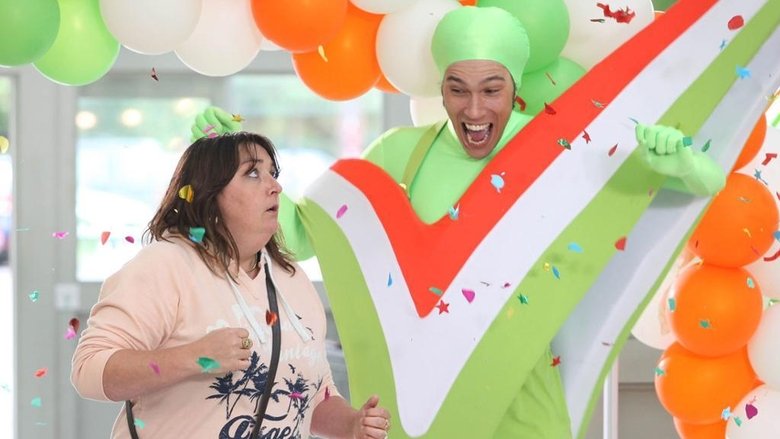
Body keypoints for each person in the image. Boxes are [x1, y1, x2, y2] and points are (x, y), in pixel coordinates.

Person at [206, 8, 727, 438]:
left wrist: (680, 162)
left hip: (526, 394)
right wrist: (227, 163)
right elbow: (302, 232)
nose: (474, 109)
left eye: (491, 90)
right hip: (425, 398)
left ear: (515, 87)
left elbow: (705, 183)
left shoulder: (562, 150)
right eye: (458, 90)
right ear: (442, 88)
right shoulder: (400, 155)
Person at [71, 125, 392, 439]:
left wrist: (351, 425)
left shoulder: (291, 278)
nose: (275, 187)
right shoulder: (166, 265)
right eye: (253, 173)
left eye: (273, 173)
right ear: (210, 193)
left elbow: (313, 395)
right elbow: (89, 370)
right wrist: (193, 358)